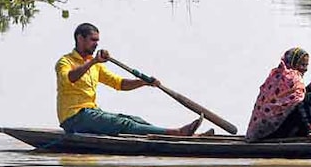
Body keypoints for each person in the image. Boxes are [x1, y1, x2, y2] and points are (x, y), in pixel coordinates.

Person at [56, 23, 202, 136]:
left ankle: (184, 135)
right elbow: (70, 78)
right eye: (93, 40)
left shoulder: (94, 65)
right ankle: (177, 133)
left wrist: (143, 82)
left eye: (98, 41)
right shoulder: (65, 62)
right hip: (73, 118)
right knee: (124, 123)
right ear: (80, 38)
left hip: (91, 113)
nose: (96, 44)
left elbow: (119, 84)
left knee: (135, 120)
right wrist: (93, 62)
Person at [245, 47, 311, 141]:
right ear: (293, 63)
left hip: (264, 131)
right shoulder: (290, 77)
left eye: (306, 65)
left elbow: (296, 96)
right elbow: (297, 103)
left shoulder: (279, 75)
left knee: (309, 96)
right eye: (302, 65)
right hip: (272, 131)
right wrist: (309, 131)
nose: (305, 69)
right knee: (310, 97)